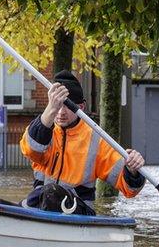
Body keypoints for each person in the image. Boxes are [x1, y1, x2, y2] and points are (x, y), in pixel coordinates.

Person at [19, 70, 146, 214]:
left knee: (51, 192)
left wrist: (133, 170)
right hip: (39, 205)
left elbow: (130, 190)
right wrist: (50, 110)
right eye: (57, 105)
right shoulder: (43, 127)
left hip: (78, 210)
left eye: (67, 106)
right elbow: (29, 150)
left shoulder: (97, 140)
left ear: (81, 107)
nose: (61, 112)